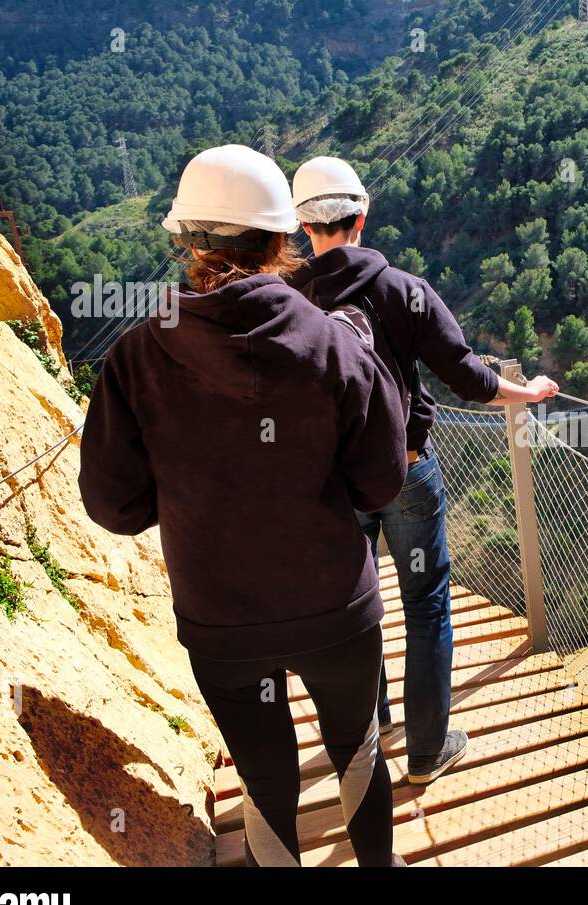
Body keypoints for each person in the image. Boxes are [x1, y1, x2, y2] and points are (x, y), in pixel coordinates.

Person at [79, 144, 407, 867]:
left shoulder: (137, 357)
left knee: (263, 781)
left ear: (186, 242)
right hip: (337, 609)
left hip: (222, 623)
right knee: (357, 752)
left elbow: (116, 506)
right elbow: (380, 484)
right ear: (281, 239)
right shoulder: (337, 344)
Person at [288, 156, 559, 785]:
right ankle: (428, 752)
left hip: (334, 482)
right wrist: (530, 393)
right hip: (406, 470)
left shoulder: (290, 299)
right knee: (427, 606)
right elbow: (469, 378)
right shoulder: (403, 289)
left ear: (304, 226)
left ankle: (374, 721)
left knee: (357, 605)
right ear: (362, 217)